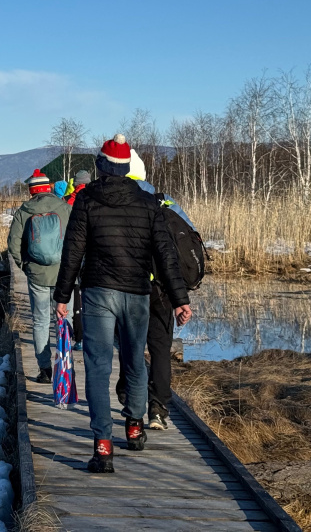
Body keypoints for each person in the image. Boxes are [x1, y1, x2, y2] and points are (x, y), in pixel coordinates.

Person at [53, 135, 193, 473]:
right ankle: (134, 425)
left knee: (98, 369)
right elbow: (166, 256)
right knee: (134, 362)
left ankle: (103, 446)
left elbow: (73, 252)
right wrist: (179, 300)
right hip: (137, 295)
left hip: (98, 294)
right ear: (127, 167)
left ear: (101, 166)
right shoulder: (148, 203)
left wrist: (62, 297)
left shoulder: (85, 201)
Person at [123, 149, 196, 431]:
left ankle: (132, 402)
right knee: (161, 348)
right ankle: (158, 409)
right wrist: (180, 295)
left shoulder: (121, 201)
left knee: (130, 346)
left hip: (130, 287)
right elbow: (189, 239)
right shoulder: (166, 201)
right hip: (164, 289)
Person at [9, 169, 73, 384]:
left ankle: (45, 370)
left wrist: (25, 266)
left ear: (32, 191)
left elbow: (13, 244)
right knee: (64, 319)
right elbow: (78, 239)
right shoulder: (65, 208)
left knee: (40, 321)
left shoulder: (24, 211)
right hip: (64, 273)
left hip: (37, 274)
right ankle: (66, 365)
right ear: (48, 188)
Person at [66, 168, 92, 350]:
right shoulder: (94, 198)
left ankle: (78, 337)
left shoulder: (67, 201)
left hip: (73, 252)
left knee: (75, 296)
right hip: (92, 254)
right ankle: (91, 336)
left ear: (75, 184)